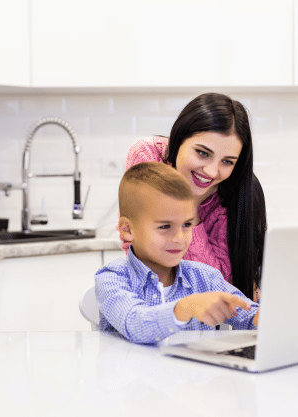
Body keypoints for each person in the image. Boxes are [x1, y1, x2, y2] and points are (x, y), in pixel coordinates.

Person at [123, 92, 267, 302]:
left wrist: (191, 205)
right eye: (202, 153)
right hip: (148, 298)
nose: (211, 171)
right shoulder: (148, 156)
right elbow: (140, 245)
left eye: (227, 162)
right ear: (180, 138)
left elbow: (216, 286)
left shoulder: (232, 196)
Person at [97, 162, 259, 344]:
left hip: (193, 372)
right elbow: (135, 324)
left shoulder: (206, 277)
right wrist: (184, 308)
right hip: (131, 372)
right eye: (165, 226)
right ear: (127, 229)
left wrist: (262, 317)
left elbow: (249, 316)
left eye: (186, 225)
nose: (179, 238)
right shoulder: (112, 277)